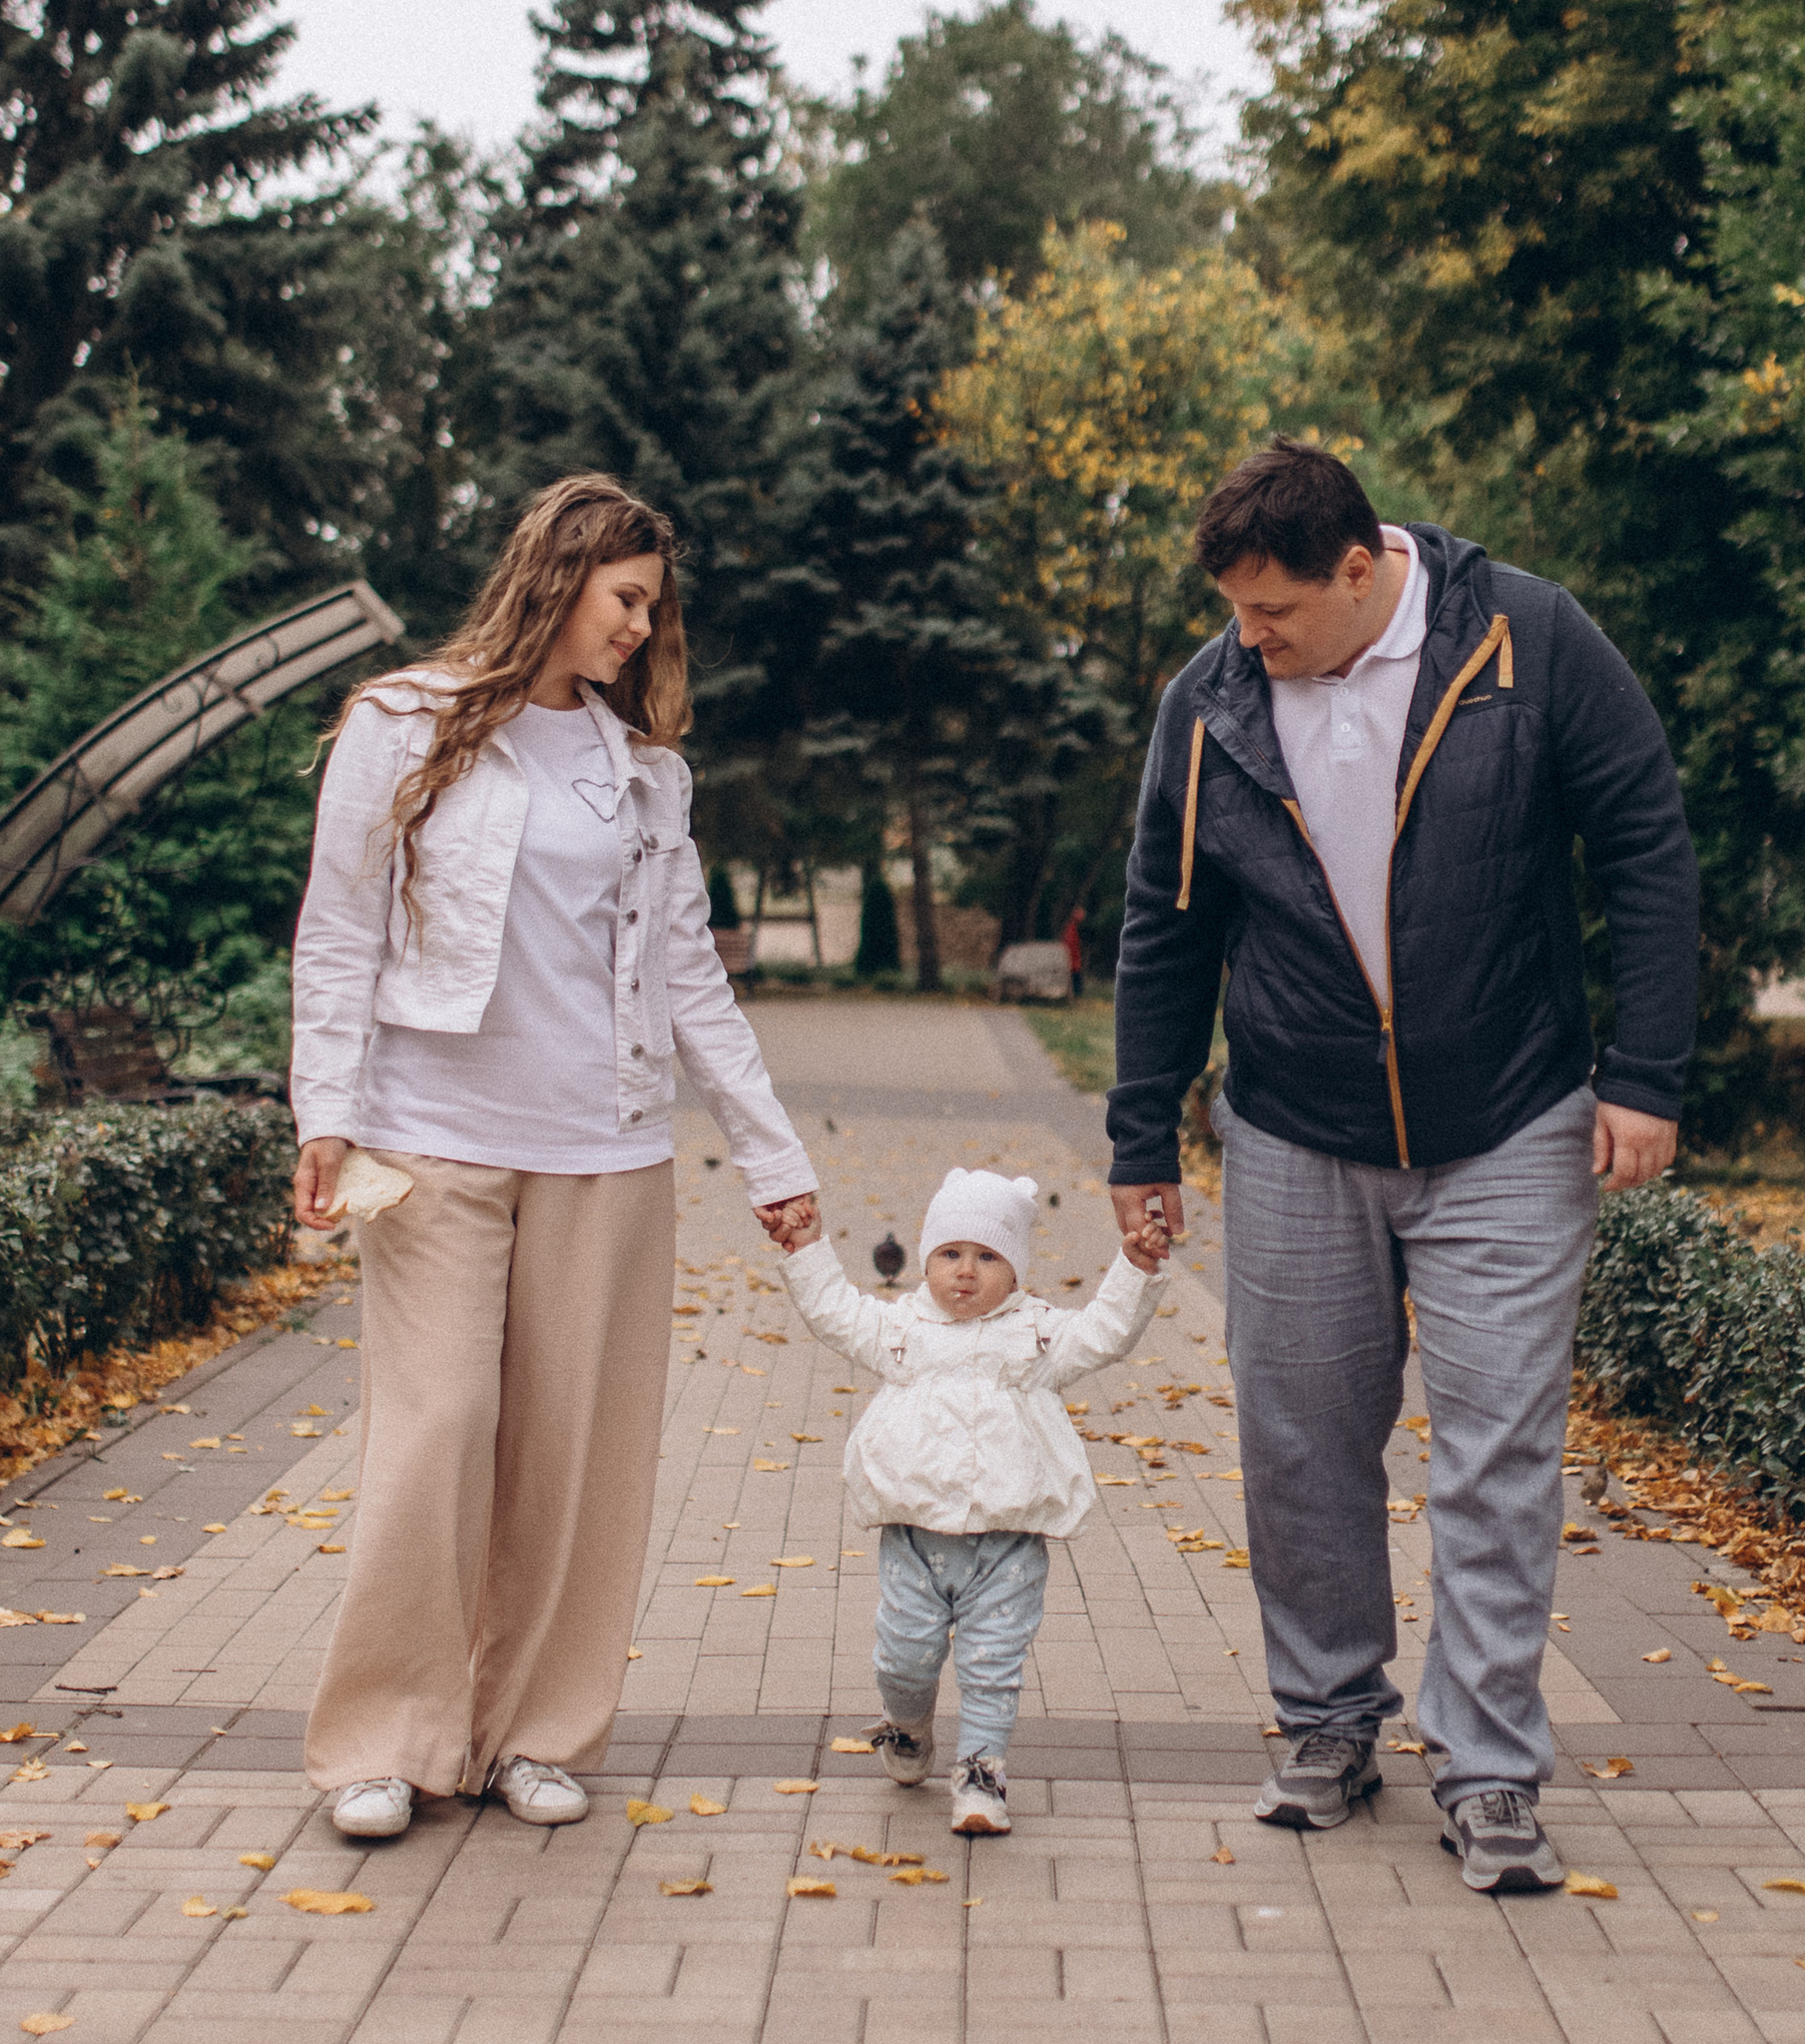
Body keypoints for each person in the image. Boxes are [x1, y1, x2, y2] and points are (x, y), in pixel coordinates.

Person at [1107, 439, 1697, 1894]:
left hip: (1511, 1119)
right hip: (1298, 1126)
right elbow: (1161, 925)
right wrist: (1140, 1134)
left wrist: (1647, 1075)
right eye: (1237, 614)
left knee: (1498, 1454)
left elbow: (1644, 844)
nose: (1250, 638)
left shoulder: (1529, 641)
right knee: (1301, 1442)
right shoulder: (1214, 704)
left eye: (1275, 612)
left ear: (1362, 568)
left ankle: (1491, 1769)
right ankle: (1327, 1721)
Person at [287, 473, 819, 1841]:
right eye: (626, 597)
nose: (643, 626)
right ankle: (386, 1737)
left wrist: (771, 1156)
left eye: (654, 606)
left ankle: (536, 1730)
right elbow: (341, 929)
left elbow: (689, 974)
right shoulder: (402, 725)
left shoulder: (637, 769)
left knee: (576, 1455)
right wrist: (322, 1111)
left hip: (609, 1147)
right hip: (433, 1143)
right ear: (559, 574)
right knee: (442, 1425)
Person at [779, 1166, 1165, 1832]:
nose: (966, 1272)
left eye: (989, 1258)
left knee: (993, 1665)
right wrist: (805, 1246)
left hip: (1007, 1544)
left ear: (1014, 1273)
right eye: (951, 1254)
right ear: (926, 1260)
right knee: (903, 1657)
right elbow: (835, 1313)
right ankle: (907, 1723)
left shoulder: (1037, 1337)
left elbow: (1104, 1331)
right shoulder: (901, 1332)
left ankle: (982, 1776)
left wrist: (1134, 1268)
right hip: (915, 1538)